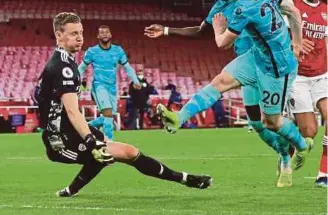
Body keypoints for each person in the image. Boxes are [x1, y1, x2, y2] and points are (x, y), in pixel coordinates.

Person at [154, 0, 312, 188]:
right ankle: (179, 117)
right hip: (254, 58)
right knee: (221, 83)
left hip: (276, 68)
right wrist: (296, 41)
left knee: (272, 122)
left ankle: (301, 146)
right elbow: (292, 11)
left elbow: (222, 43)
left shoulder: (243, 7)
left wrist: (220, 28)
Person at [37, 12, 212, 197]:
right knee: (105, 154)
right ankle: (70, 190)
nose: (79, 37)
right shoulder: (63, 67)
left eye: (80, 32)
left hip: (71, 131)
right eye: (73, 34)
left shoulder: (65, 63)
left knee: (127, 152)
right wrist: (91, 141)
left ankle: (185, 178)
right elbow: (72, 111)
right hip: (61, 141)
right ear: (58, 35)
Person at [284, 0, 327, 187]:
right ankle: (287, 152)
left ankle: (324, 174)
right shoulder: (290, 2)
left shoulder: (326, 11)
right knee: (309, 131)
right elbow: (275, 28)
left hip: (322, 75)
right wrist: (293, 41)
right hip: (298, 76)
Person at [78, 25, 141, 139]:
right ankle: (109, 143)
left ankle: (84, 128)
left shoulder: (118, 50)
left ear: (110, 35)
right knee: (107, 113)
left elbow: (127, 67)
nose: (105, 34)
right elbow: (82, 67)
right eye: (102, 32)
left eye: (107, 32)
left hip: (112, 87)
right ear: (98, 36)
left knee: (109, 117)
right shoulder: (92, 51)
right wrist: (74, 80)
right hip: (99, 86)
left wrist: (136, 80)